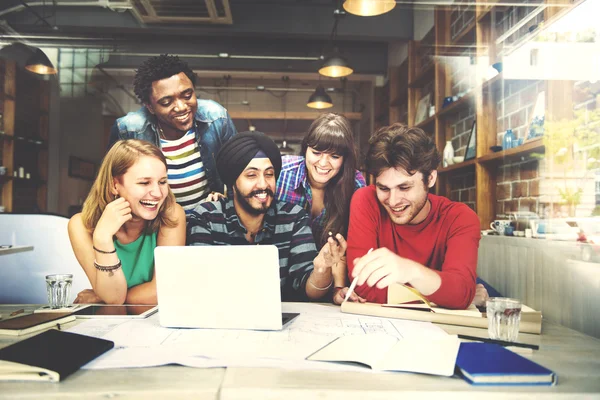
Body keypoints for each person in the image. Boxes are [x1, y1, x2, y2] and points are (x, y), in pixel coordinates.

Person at [187, 131, 344, 302]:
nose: (263, 184)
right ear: (232, 182)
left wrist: (322, 268)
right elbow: (199, 286)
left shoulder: (293, 218)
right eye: (251, 175)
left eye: (269, 174)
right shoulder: (207, 218)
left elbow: (311, 291)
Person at [347, 123, 488, 309]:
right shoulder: (365, 200)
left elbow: (460, 292)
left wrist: (410, 271)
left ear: (430, 178)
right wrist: (443, 295)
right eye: (383, 188)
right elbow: (363, 286)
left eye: (404, 187)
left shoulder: (460, 218)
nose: (393, 200)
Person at [108, 54, 237, 212]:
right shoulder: (129, 129)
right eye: (166, 102)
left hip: (208, 221)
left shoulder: (216, 117)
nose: (181, 107)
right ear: (149, 106)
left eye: (187, 95)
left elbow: (237, 173)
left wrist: (228, 206)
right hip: (157, 223)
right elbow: (110, 186)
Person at [68, 140, 186, 305]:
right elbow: (113, 299)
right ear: (114, 185)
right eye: (144, 183)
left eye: (162, 182)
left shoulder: (172, 214)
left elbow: (164, 290)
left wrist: (104, 298)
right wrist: (102, 237)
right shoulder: (80, 225)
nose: (158, 193)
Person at [276, 113, 366, 304]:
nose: (323, 164)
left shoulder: (355, 184)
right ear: (305, 149)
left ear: (345, 159)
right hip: (279, 282)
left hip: (328, 286)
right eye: (316, 153)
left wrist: (339, 288)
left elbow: (344, 244)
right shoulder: (281, 173)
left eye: (334, 156)